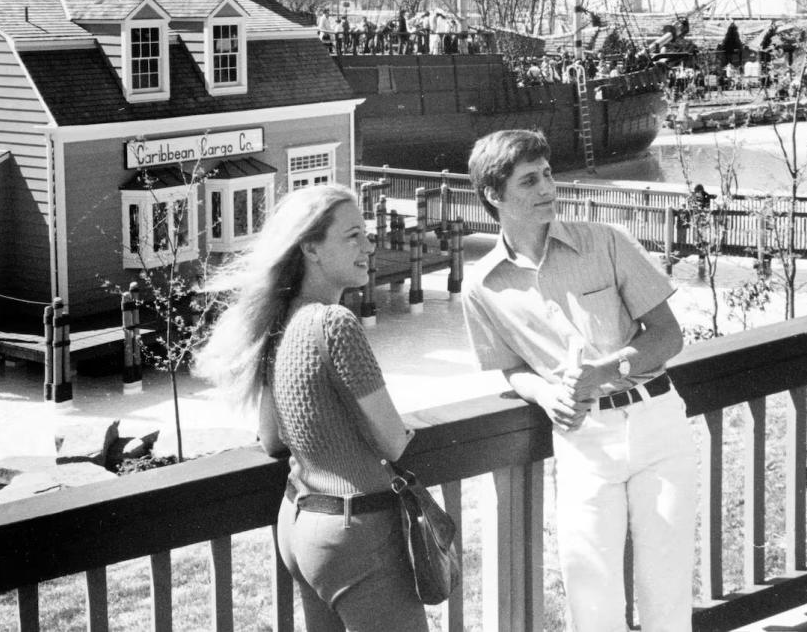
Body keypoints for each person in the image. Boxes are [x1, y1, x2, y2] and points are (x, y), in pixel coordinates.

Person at [462, 129, 695, 632]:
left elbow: (669, 336)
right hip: (583, 441)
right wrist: (544, 392)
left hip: (657, 424)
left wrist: (605, 371)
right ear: (494, 195)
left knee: (666, 589)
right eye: (530, 180)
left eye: (547, 174)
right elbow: (510, 366)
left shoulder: (605, 242)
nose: (549, 187)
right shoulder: (483, 285)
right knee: (591, 597)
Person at [194, 185, 426, 632]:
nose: (369, 246)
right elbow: (394, 442)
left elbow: (271, 438)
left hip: (300, 525)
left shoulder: (278, 323)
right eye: (353, 236)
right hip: (357, 534)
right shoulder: (335, 324)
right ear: (311, 248)